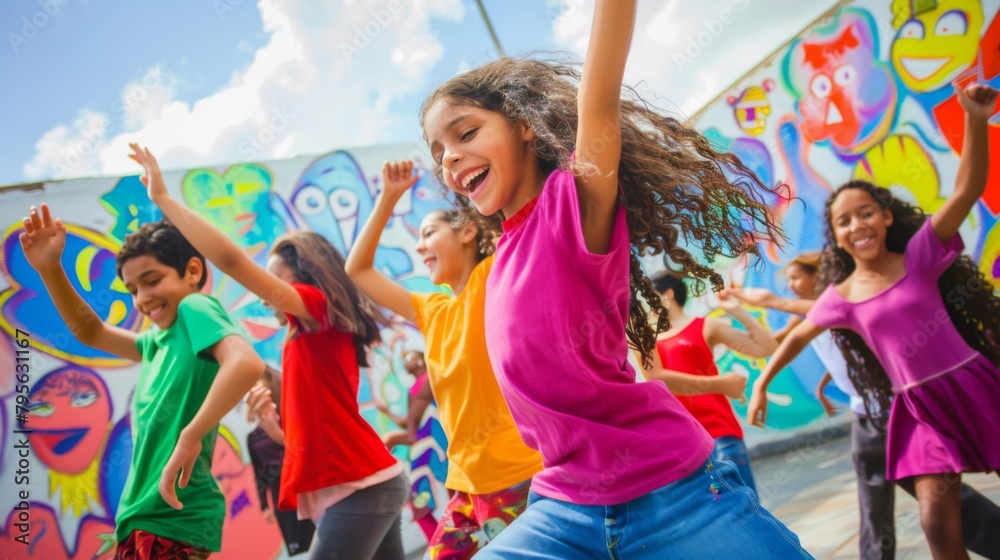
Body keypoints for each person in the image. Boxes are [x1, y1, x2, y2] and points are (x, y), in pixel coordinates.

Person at [419, 1, 812, 556]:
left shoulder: (572, 204)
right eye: (439, 153)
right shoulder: (497, 259)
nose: (451, 158)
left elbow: (597, 97)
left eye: (465, 133)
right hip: (563, 507)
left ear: (526, 127)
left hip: (671, 492)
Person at [746, 82, 1000, 560]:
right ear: (836, 237)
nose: (856, 224)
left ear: (886, 217)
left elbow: (967, 190)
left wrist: (975, 119)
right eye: (844, 221)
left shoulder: (920, 255)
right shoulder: (839, 298)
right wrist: (762, 384)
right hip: (919, 411)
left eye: (866, 213)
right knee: (936, 522)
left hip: (973, 385)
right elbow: (799, 335)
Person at [130, 144, 408, 560]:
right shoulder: (307, 339)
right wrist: (276, 430)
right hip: (363, 484)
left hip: (362, 487)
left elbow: (232, 261)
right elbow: (321, 433)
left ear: (306, 278)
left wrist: (164, 200)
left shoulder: (315, 309)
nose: (265, 298)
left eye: (275, 283)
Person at [18, 204, 264, 558]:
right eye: (132, 289)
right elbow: (90, 331)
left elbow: (245, 362)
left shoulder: (194, 308)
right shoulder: (153, 343)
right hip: (142, 521)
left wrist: (190, 436)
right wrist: (50, 269)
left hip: (172, 520)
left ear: (192, 271)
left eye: (152, 281)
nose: (142, 299)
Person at [729, 254, 1000, 560]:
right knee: (878, 500)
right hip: (865, 414)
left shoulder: (839, 302)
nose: (791, 285)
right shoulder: (811, 313)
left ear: (816, 276)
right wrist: (740, 315)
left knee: (934, 498)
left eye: (795, 277)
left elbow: (803, 313)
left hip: (893, 411)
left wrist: (758, 300)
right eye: (788, 280)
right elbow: (781, 344)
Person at [346, 160, 543, 558]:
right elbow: (358, 269)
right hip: (466, 489)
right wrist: (388, 197)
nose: (420, 246)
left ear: (467, 231)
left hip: (521, 478)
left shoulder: (493, 274)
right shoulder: (431, 309)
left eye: (429, 233)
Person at [640, 272, 776, 493]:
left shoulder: (706, 326)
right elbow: (658, 379)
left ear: (668, 294)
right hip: (681, 444)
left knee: (748, 507)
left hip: (721, 433)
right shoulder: (647, 340)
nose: (646, 305)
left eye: (649, 297)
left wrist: (736, 310)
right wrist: (720, 383)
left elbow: (766, 348)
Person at [246, 366, 316, 556]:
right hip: (281, 501)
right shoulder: (253, 437)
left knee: (319, 545)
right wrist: (264, 506)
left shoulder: (289, 425)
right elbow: (258, 472)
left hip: (302, 494)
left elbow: (303, 451)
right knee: (299, 549)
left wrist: (276, 433)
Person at [375, 350, 434, 451]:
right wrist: (386, 411)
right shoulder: (414, 388)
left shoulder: (428, 380)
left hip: (426, 435)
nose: (405, 363)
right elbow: (407, 422)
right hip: (416, 435)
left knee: (388, 439)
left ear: (420, 361)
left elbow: (412, 436)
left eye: (409, 359)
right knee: (388, 439)